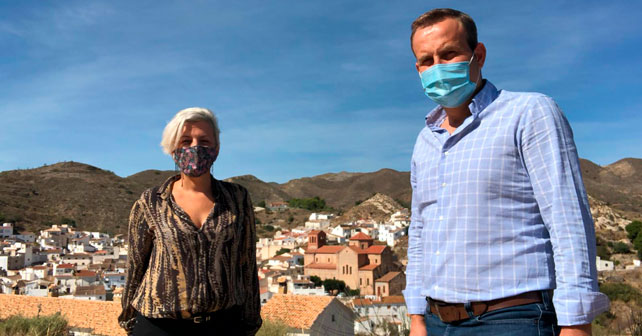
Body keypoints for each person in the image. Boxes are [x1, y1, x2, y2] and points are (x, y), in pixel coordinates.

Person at [402, 8, 610, 336]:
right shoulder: (426, 140)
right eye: (427, 60)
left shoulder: (529, 113)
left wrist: (576, 323)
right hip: (435, 319)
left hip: (513, 317)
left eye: (449, 54)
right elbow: (420, 232)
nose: (437, 68)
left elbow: (568, 218)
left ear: (478, 54)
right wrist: (416, 316)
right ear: (418, 68)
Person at [118, 107, 262, 335]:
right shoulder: (151, 202)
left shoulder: (238, 199)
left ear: (216, 148)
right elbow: (136, 266)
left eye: (204, 141)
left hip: (223, 325)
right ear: (173, 148)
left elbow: (246, 264)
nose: (195, 147)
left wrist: (251, 322)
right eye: (186, 140)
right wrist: (128, 321)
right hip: (159, 326)